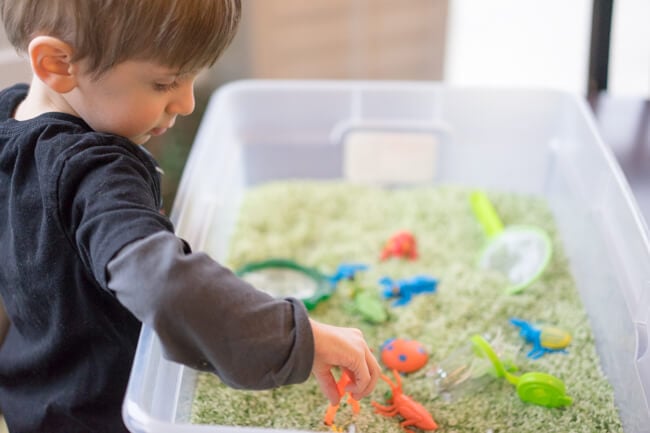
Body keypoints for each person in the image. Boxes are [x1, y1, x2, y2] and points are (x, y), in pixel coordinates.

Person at [0, 1, 381, 432]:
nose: (185, 102)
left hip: (31, 394)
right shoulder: (94, 173)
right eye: (165, 82)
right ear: (57, 63)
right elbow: (163, 283)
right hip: (102, 413)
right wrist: (300, 340)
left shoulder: (8, 120)